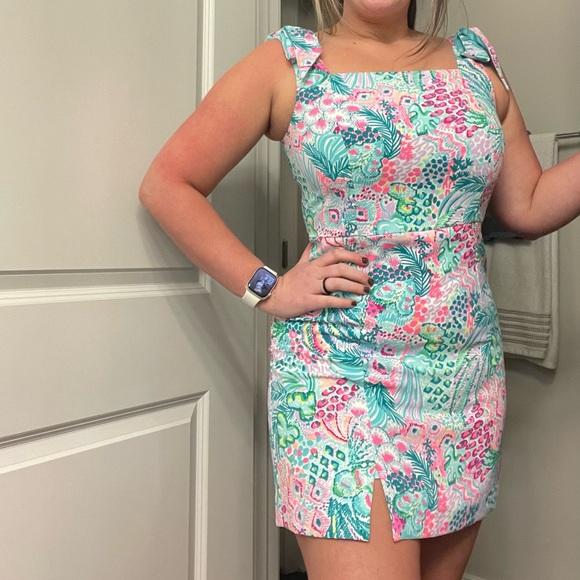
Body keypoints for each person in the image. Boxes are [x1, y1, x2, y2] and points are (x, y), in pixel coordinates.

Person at [139, 0, 580, 578]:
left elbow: (527, 205)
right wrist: (268, 288)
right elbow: (169, 183)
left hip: (464, 382)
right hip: (341, 379)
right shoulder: (289, 63)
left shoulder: (476, 65)